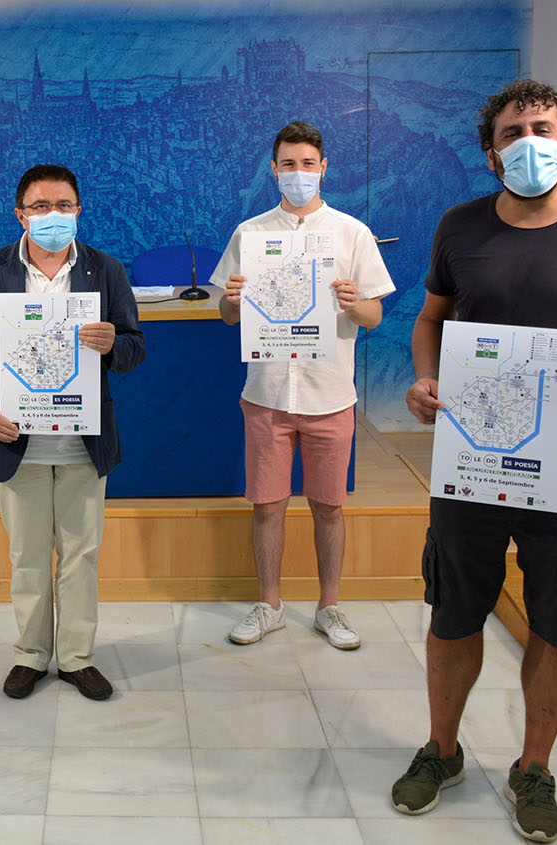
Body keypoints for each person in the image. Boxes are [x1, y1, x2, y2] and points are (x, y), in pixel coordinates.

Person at [392, 80, 557, 842]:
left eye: (540, 128)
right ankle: (440, 749)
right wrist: (423, 378)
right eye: (511, 133)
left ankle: (533, 765)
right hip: (470, 462)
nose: (528, 142)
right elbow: (429, 319)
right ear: (490, 154)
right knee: (452, 612)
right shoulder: (459, 227)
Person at [0, 164, 146, 701]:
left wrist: (113, 345)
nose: (52, 215)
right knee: (28, 558)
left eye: (63, 206)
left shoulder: (106, 270)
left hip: (84, 443)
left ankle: (77, 659)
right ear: (20, 214)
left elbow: (134, 349)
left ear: (79, 211)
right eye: (40, 207)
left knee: (81, 556)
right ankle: (31, 656)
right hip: (16, 442)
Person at [215, 121, 395, 650]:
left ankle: (329, 606)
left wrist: (350, 301)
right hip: (267, 393)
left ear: (324, 168)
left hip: (329, 394)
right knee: (268, 505)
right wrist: (233, 297)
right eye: (288, 164)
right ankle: (269, 605)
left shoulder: (351, 233)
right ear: (274, 170)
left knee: (328, 505)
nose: (298, 173)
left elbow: (375, 315)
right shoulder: (250, 233)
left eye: (308, 163)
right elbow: (227, 315)